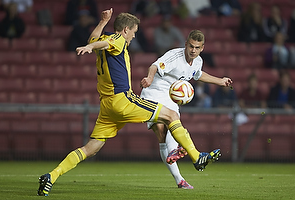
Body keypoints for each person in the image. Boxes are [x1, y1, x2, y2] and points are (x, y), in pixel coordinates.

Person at [37, 8, 229, 196]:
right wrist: (90, 47)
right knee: (171, 115)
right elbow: (99, 44)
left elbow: (94, 40)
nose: (134, 37)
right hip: (123, 99)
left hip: (107, 106)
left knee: (90, 148)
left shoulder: (106, 39)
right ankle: (197, 157)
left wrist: (102, 24)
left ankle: (51, 176)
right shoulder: (118, 39)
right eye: (134, 32)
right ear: (126, 29)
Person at [140, 30, 232, 189]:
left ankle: (179, 176)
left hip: (171, 98)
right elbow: (155, 65)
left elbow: (197, 74)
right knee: (163, 129)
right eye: (191, 46)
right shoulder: (174, 56)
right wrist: (149, 78)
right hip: (154, 93)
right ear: (186, 44)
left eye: (197, 47)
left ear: (202, 48)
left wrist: (220, 81)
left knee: (164, 135)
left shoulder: (198, 61)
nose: (193, 50)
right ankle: (179, 154)